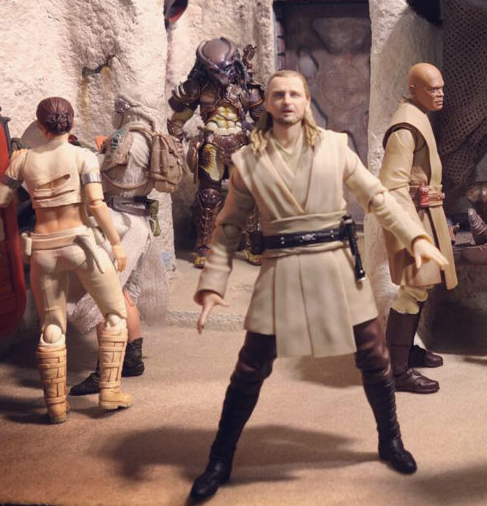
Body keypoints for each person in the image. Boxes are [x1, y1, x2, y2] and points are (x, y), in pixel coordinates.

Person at [190, 70, 447, 501]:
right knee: (251, 367)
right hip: (281, 267)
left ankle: (390, 440)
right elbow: (229, 225)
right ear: (267, 104)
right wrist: (213, 282)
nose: (287, 101)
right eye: (278, 94)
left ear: (307, 101)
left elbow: (378, 198)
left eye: (295, 93)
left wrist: (415, 238)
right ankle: (219, 459)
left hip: (336, 264)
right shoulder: (248, 162)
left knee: (375, 356)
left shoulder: (335, 147)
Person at [0, 97, 133, 423]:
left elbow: (1, 200)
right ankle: (110, 390)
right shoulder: (82, 156)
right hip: (81, 244)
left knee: (52, 325)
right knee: (115, 313)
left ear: (40, 126)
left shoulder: (22, 159)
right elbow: (97, 204)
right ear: (70, 123)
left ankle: (55, 405)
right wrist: (115, 243)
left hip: (44, 249)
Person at [69, 95, 171, 395]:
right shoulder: (152, 137)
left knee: (105, 295)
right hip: (140, 218)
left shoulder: (124, 136)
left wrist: (90, 153)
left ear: (124, 111)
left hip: (119, 221)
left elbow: (103, 171)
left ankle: (105, 369)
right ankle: (132, 360)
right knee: (125, 292)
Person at [379, 63, 458, 394]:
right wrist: (413, 234)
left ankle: (406, 351)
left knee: (420, 287)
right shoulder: (405, 127)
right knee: (412, 289)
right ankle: (396, 371)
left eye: (441, 88)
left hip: (426, 214)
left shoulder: (418, 116)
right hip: (414, 218)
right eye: (432, 89)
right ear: (414, 90)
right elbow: (392, 185)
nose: (439, 94)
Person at [167, 37, 264, 267]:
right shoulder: (198, 87)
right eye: (214, 70)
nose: (221, 75)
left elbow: (263, 120)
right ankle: (204, 247)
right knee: (208, 196)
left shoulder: (247, 87)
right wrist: (176, 137)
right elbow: (179, 116)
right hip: (211, 144)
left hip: (241, 144)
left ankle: (254, 246)